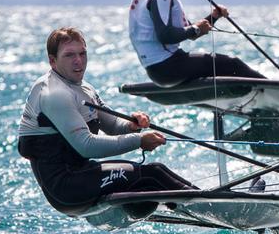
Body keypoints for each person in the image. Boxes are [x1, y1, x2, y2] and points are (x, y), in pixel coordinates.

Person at [18, 27, 195, 216]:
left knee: (151, 176)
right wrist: (139, 140)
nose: (78, 61)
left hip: (83, 173)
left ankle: (201, 202)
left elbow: (112, 125)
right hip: (66, 188)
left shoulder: (84, 88)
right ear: (52, 61)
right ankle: (208, 205)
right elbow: (86, 146)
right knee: (153, 174)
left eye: (82, 53)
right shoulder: (54, 94)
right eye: (69, 55)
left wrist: (131, 126)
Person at [128, 0, 266, 87]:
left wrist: (213, 17)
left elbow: (189, 33)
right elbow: (166, 36)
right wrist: (196, 28)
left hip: (155, 70)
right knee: (232, 64)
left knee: (219, 65)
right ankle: (277, 89)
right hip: (168, 67)